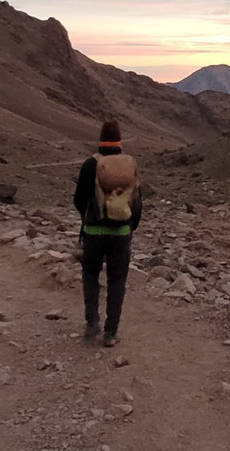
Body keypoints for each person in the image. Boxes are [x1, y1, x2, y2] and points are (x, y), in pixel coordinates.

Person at [73, 119, 142, 347]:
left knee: (91, 275)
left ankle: (92, 322)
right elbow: (137, 200)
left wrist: (89, 216)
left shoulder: (89, 165)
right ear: (120, 140)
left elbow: (78, 200)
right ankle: (111, 333)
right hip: (121, 233)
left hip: (93, 231)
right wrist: (130, 225)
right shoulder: (129, 165)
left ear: (100, 139)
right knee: (117, 280)